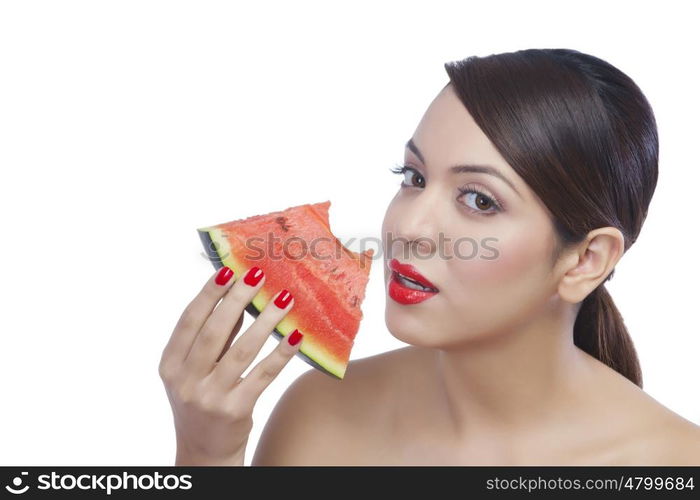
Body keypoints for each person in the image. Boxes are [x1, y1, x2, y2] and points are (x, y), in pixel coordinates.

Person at [159, 48, 700, 465]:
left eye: (479, 200)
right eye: (414, 178)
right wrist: (207, 457)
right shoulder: (318, 418)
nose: (407, 227)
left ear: (585, 260)